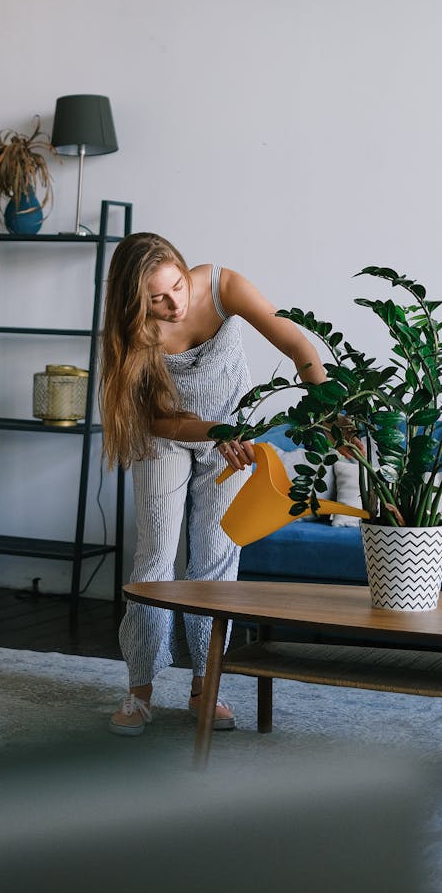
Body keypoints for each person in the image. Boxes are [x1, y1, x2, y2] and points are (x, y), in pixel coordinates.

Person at [100, 232, 329, 735]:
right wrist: (215, 431)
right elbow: (156, 420)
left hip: (234, 438)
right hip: (168, 436)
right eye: (156, 299)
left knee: (216, 563)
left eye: (177, 287)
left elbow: (295, 342)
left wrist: (331, 407)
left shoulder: (224, 287)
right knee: (156, 557)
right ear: (133, 300)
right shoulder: (131, 334)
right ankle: (139, 691)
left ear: (186, 272)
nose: (174, 304)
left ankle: (207, 687)